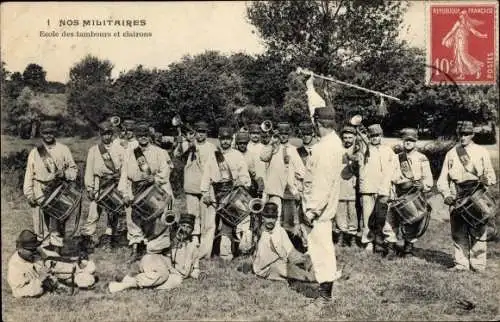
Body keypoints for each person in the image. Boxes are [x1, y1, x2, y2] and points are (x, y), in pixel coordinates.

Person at [437, 121, 496, 272]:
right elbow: (443, 179)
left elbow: (491, 176)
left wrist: (486, 180)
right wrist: (446, 195)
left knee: (478, 228)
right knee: (458, 231)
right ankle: (461, 264)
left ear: (472, 135)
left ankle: (478, 264)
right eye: (461, 134)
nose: (463, 137)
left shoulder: (481, 152)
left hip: (477, 194)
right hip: (458, 195)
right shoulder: (451, 153)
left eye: (466, 134)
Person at [303, 107, 344, 310]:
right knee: (322, 248)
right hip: (324, 207)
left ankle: (325, 296)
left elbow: (322, 183)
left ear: (317, 123)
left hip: (319, 209)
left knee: (321, 250)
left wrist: (312, 210)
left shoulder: (325, 148)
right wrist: (310, 86)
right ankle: (325, 291)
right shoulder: (333, 142)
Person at [118, 122, 172, 262]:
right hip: (134, 188)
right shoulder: (130, 152)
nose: (143, 138)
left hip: (152, 188)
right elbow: (124, 173)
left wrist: (155, 178)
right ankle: (136, 247)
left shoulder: (158, 152)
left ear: (150, 136)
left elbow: (165, 171)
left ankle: (152, 246)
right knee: (133, 218)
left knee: (152, 218)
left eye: (145, 135)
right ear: (136, 136)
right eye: (140, 135)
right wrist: (124, 193)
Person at [23, 120, 78, 254]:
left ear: (55, 133)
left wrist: (65, 173)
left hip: (58, 191)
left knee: (57, 223)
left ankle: (57, 251)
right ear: (41, 134)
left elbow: (74, 170)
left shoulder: (63, 149)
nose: (48, 135)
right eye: (45, 132)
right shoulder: (35, 152)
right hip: (39, 189)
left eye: (50, 132)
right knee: (40, 225)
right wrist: (29, 194)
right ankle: (44, 251)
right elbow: (29, 174)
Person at [108, 213, 199, 293]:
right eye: (183, 225)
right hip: (154, 260)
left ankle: (129, 279)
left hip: (171, 274)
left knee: (177, 281)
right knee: (163, 275)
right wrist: (174, 239)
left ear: (192, 230)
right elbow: (154, 250)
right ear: (179, 226)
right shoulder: (169, 237)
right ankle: (125, 285)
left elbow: (195, 268)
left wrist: (195, 272)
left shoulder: (193, 247)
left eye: (189, 227)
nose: (185, 229)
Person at [201, 126, 251, 261]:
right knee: (218, 225)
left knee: (238, 223)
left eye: (227, 139)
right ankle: (219, 254)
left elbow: (245, 176)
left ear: (231, 139)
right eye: (222, 139)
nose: (225, 142)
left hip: (234, 193)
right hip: (217, 193)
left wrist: (242, 181)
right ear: (219, 140)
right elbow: (206, 175)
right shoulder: (213, 156)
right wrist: (205, 192)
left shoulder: (237, 155)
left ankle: (242, 251)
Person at [174, 120, 217, 263]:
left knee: (208, 221)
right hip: (191, 186)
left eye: (203, 132)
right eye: (198, 132)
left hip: (207, 188)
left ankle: (205, 252)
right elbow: (178, 154)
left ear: (206, 133)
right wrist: (181, 141)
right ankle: (193, 246)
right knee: (193, 219)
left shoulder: (212, 147)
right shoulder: (188, 145)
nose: (200, 134)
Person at [386, 128, 433, 258]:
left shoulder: (421, 158)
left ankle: (408, 248)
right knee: (391, 220)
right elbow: (390, 176)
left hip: (414, 193)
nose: (408, 143)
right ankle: (391, 247)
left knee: (412, 220)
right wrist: (391, 192)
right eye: (406, 140)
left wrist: (423, 185)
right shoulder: (397, 158)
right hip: (398, 192)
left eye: (411, 140)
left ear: (416, 141)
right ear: (403, 141)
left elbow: (428, 177)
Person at [80, 120, 127, 252]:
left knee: (113, 213)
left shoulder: (120, 149)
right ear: (100, 134)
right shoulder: (94, 150)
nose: (106, 137)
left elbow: (124, 169)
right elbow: (89, 170)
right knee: (93, 212)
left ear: (112, 134)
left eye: (109, 134)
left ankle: (109, 238)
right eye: (104, 134)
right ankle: (87, 238)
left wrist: (121, 183)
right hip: (98, 184)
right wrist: (89, 188)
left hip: (114, 185)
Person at [7, 230, 96, 298]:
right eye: (31, 250)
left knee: (90, 268)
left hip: (52, 272)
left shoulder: (36, 251)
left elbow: (53, 257)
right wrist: (40, 279)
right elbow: (17, 293)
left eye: (35, 248)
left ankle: (78, 271)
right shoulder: (15, 267)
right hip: (40, 283)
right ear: (19, 248)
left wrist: (73, 261)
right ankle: (77, 277)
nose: (34, 251)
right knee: (88, 279)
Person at [358, 123, 399, 256]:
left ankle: (389, 241)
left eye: (377, 135)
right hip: (368, 188)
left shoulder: (388, 150)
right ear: (368, 136)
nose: (374, 138)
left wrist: (392, 183)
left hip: (383, 189)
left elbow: (395, 168)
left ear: (381, 136)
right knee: (367, 217)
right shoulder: (364, 149)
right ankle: (369, 241)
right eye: (372, 136)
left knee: (386, 218)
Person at [260, 122, 305, 239]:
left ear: (289, 135)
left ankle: (288, 241)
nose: (283, 136)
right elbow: (263, 157)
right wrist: (271, 142)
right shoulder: (273, 147)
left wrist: (297, 185)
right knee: (275, 217)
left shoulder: (293, 149)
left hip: (288, 190)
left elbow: (301, 170)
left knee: (289, 220)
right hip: (274, 189)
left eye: (285, 134)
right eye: (281, 134)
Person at [252, 202, 315, 282]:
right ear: (263, 217)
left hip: (280, 261)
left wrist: (303, 258)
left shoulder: (280, 230)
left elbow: (290, 251)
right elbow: (246, 247)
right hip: (266, 268)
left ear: (276, 218)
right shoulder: (259, 231)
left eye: (273, 218)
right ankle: (316, 278)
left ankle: (315, 270)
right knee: (298, 273)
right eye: (268, 217)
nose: (270, 221)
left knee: (308, 259)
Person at [335, 125, 360, 247]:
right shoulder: (338, 150)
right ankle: (341, 236)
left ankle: (353, 237)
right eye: (345, 137)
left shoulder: (359, 150)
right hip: (340, 185)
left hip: (353, 187)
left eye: (350, 137)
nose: (347, 140)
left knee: (353, 213)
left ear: (355, 137)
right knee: (340, 212)